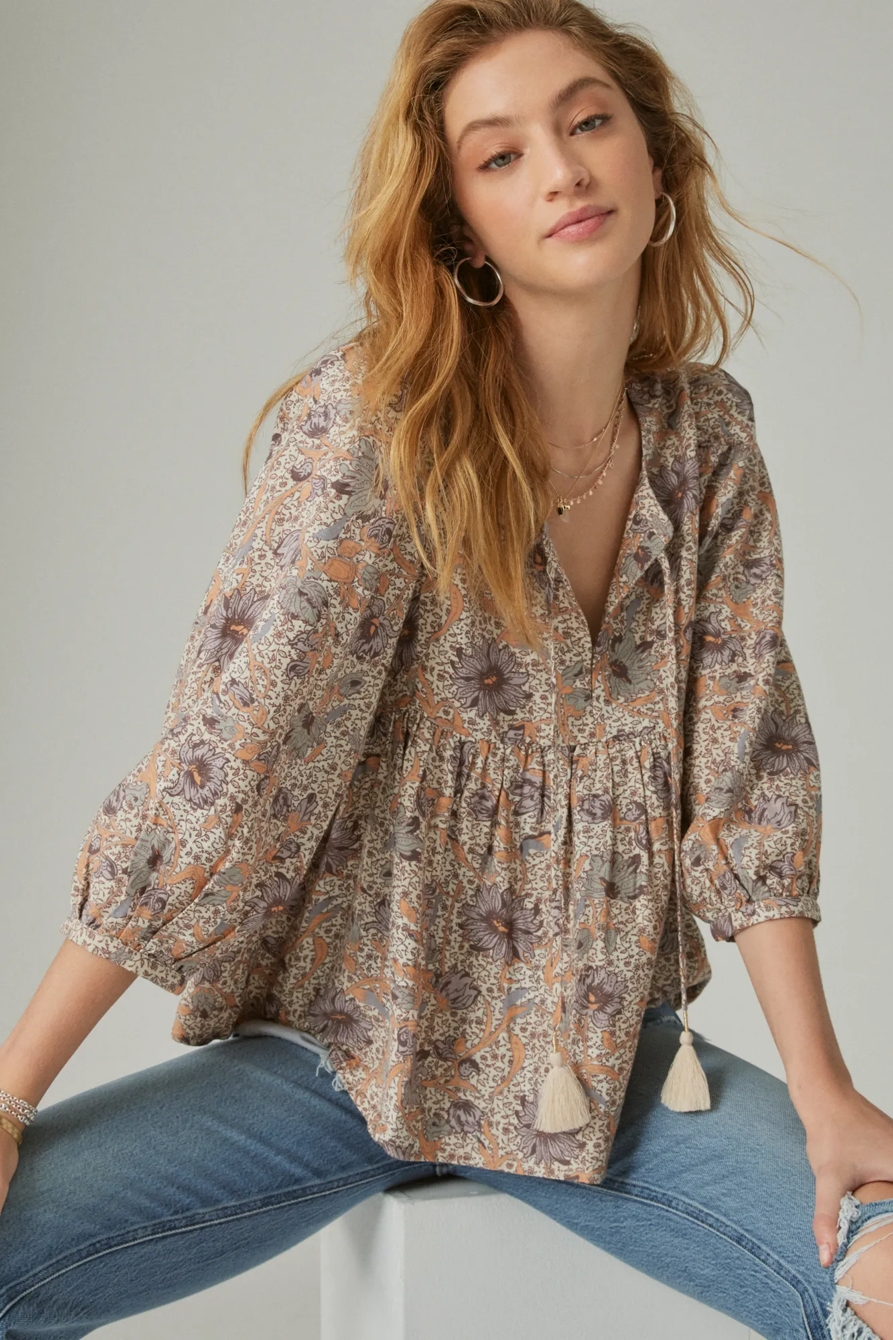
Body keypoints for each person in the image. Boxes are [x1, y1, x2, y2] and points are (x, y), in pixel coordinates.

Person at [1, 2, 891, 1337]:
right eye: (501, 154)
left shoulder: (704, 444)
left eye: (588, 122)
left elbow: (745, 785)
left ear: (656, 161)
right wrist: (10, 1095)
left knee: (880, 1272)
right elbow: (228, 772)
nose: (562, 169)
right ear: (461, 228)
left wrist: (824, 1093)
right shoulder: (378, 432)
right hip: (335, 1066)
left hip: (609, 1073)